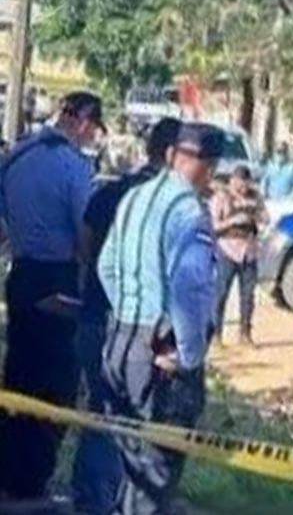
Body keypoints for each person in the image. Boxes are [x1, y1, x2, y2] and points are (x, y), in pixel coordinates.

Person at [97, 122, 221, 514]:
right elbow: (189, 286)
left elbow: (105, 266)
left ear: (170, 155)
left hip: (119, 346)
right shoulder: (189, 212)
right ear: (210, 168)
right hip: (160, 359)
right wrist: (187, 355)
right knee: (155, 475)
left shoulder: (134, 198)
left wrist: (129, 314)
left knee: (131, 468)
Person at [71, 117, 182, 515]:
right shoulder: (169, 205)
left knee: (100, 414)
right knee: (136, 427)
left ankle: (90, 501)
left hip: (94, 316)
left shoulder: (111, 193)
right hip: (139, 329)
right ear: (173, 154)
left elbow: (85, 247)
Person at [0, 91, 105, 504]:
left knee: (17, 378)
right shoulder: (73, 166)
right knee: (55, 387)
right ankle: (32, 484)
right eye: (93, 128)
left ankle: (8, 474)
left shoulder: (17, 155)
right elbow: (85, 235)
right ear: (82, 121)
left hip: (21, 275)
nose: (92, 136)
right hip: (58, 280)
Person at [209, 165, 267, 346]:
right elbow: (213, 226)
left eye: (246, 183)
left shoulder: (255, 197)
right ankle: (216, 335)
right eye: (239, 183)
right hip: (227, 249)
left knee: (248, 296)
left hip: (249, 251)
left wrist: (259, 218)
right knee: (220, 294)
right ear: (232, 181)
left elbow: (265, 217)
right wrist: (233, 221)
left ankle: (245, 334)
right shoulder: (222, 198)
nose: (243, 187)